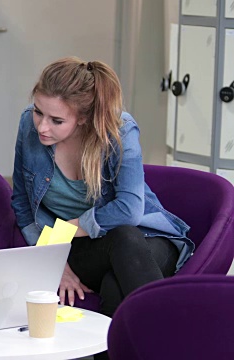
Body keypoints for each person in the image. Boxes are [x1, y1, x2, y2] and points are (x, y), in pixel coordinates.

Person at [12, 57, 195, 319]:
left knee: (117, 274)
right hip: (80, 248)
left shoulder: (119, 130)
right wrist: (53, 261)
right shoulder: (28, 125)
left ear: (83, 118)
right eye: (38, 112)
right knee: (121, 247)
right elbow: (21, 203)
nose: (42, 126)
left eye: (56, 120)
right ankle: (176, 344)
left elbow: (129, 211)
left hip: (146, 238)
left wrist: (64, 230)